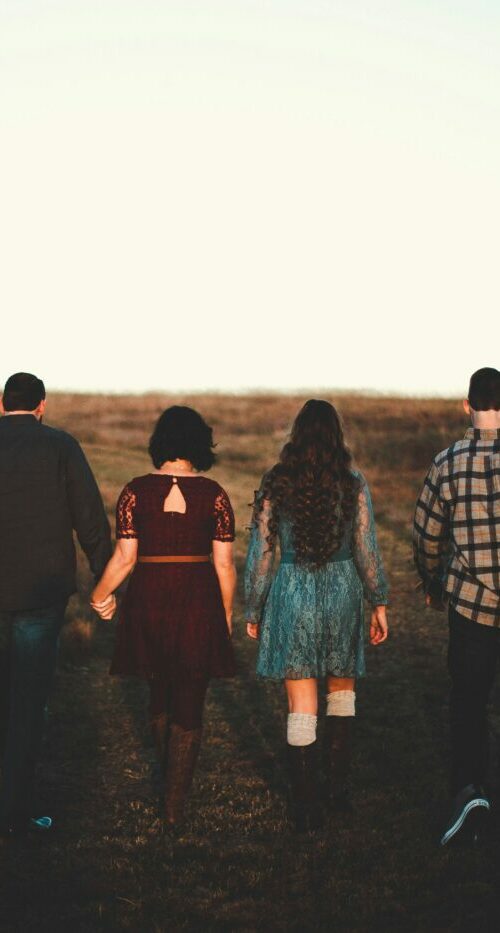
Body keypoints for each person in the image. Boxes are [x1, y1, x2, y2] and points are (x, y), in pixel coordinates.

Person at [244, 399, 388, 832]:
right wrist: (378, 601)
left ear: (297, 434)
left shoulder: (276, 481)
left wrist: (254, 605)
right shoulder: (353, 482)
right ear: (336, 436)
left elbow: (262, 552)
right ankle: (337, 791)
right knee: (342, 693)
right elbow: (365, 547)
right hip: (343, 591)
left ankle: (306, 805)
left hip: (292, 592)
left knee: (301, 702)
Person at [90, 406, 236, 826]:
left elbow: (125, 557)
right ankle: (174, 806)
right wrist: (225, 615)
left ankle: (167, 785)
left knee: (158, 690)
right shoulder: (215, 494)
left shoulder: (135, 491)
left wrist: (100, 595)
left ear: (160, 442)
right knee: (190, 695)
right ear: (200, 444)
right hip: (197, 597)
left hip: (149, 595)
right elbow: (225, 565)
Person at [0, 372, 112, 839]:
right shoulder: (61, 446)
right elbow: (90, 517)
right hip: (40, 593)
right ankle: (14, 812)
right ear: (42, 405)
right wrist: (106, 579)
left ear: (2, 403)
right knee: (27, 702)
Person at [413, 367, 500, 846]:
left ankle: (469, 793)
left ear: (467, 405)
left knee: (468, 700)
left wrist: (432, 581)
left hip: (470, 604)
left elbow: (426, 533)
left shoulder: (446, 462)